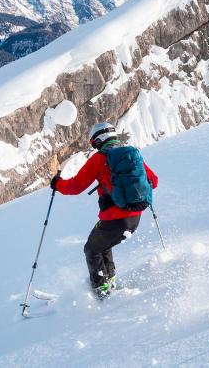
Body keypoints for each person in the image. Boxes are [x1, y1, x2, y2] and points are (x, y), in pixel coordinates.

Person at [50, 122, 158, 299]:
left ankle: (102, 294)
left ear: (98, 140)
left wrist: (57, 184)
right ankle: (110, 283)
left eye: (94, 143)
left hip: (115, 218)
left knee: (91, 250)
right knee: (102, 245)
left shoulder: (100, 158)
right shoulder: (131, 155)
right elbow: (154, 180)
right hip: (135, 217)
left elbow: (75, 186)